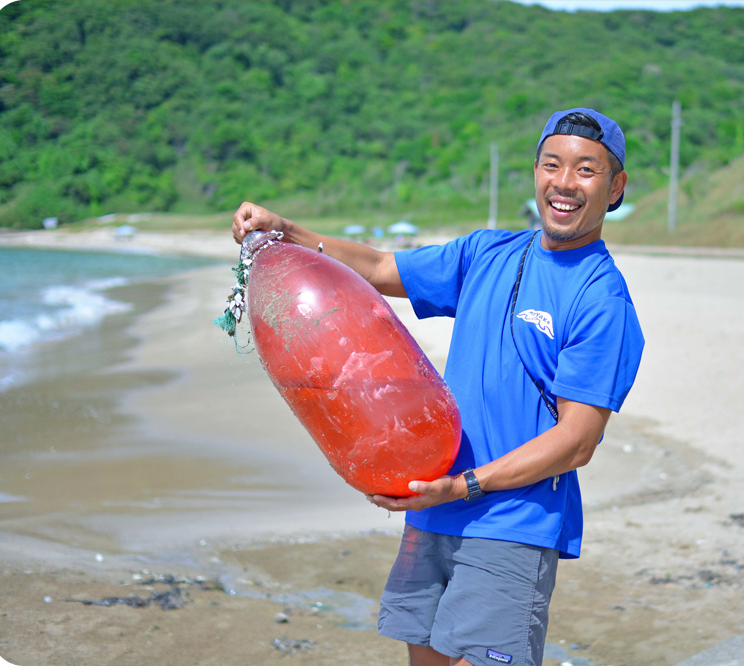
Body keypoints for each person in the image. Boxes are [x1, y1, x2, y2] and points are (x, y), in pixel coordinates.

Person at [232, 107, 644, 666]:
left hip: (511, 524)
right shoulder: (487, 254)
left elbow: (578, 440)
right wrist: (286, 232)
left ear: (615, 186)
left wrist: (464, 486)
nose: (565, 183)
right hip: (431, 513)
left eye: (586, 170)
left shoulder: (602, 298)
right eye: (553, 164)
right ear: (537, 172)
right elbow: (377, 266)